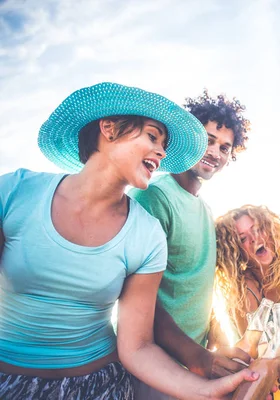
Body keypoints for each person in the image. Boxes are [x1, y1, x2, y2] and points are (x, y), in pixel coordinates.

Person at [0, 82, 259, 400]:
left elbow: (137, 346)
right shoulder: (14, 191)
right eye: (152, 136)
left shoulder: (148, 231)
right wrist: (196, 359)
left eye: (164, 144)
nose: (162, 152)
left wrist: (206, 387)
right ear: (108, 128)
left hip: (104, 384)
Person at [129, 91, 252, 399]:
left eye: (225, 147)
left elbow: (194, 288)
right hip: (157, 367)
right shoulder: (154, 196)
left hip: (198, 363)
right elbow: (137, 299)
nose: (216, 152)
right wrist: (196, 358)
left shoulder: (206, 210)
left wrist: (217, 343)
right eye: (208, 140)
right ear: (187, 138)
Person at [214, 205, 280, 341]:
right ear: (237, 251)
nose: (254, 238)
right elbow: (253, 351)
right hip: (259, 361)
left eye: (258, 229)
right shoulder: (245, 288)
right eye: (243, 238)